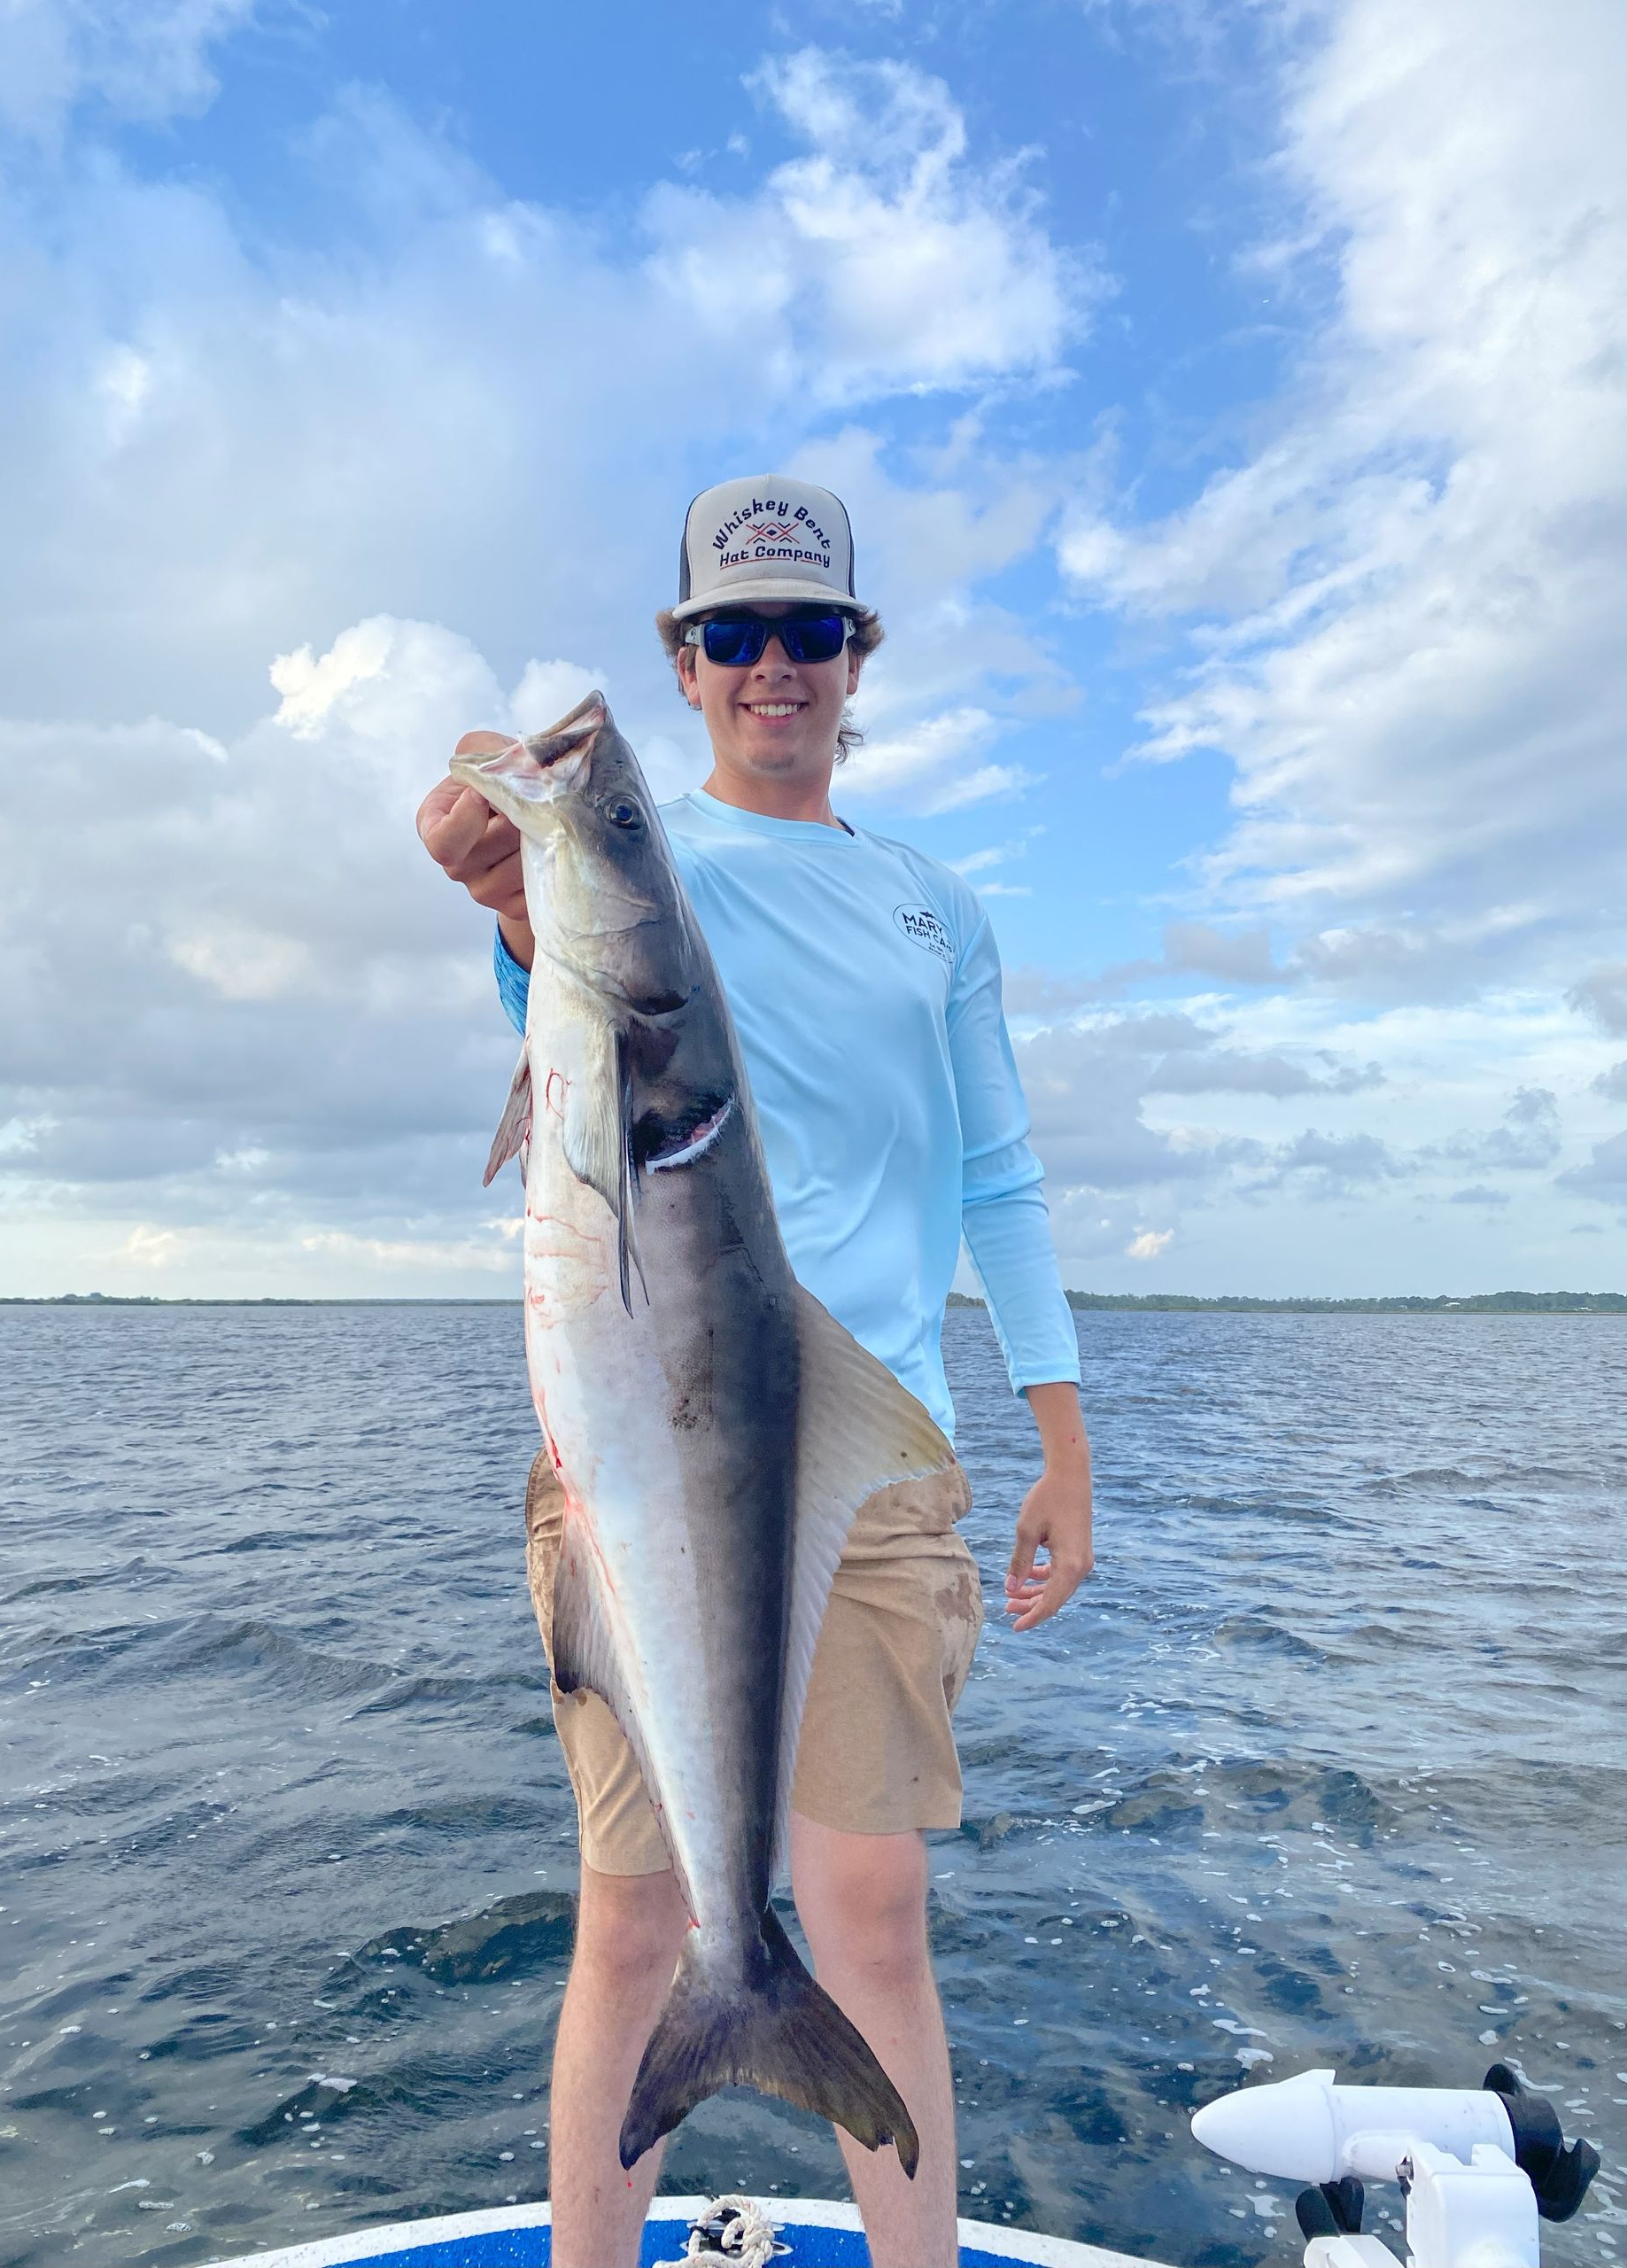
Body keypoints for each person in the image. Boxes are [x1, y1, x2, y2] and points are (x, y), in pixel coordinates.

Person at [415, 475, 1093, 2268]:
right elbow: (553, 1001)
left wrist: (1064, 1436)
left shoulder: (933, 905)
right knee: (635, 1920)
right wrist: (513, 897)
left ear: (854, 657)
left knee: (873, 1918)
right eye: (732, 634)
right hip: (638, 1455)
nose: (770, 666)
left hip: (875, 1456)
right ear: (687, 658)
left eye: (807, 631)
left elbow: (1000, 1173)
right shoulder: (653, 880)